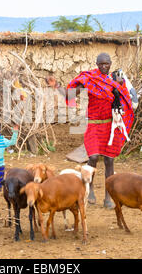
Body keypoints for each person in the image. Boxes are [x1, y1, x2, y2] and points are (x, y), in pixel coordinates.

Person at [46, 53, 134, 208]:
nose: (104, 67)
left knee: (109, 161)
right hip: (93, 125)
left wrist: (120, 86)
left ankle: (108, 197)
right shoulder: (89, 79)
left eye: (107, 64)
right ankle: (90, 189)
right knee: (92, 158)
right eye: (101, 64)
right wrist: (57, 86)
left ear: (110, 64)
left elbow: (125, 101)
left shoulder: (115, 81)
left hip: (109, 125)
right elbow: (70, 94)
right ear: (97, 64)